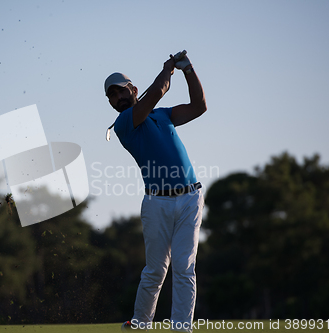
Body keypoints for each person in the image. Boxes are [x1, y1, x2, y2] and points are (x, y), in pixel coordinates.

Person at [104, 51, 207, 332]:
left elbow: (199, 107)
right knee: (155, 271)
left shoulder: (163, 116)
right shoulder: (125, 122)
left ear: (133, 89)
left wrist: (187, 70)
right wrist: (167, 69)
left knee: (185, 268)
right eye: (112, 96)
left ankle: (181, 329)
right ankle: (140, 324)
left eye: (121, 91)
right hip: (157, 203)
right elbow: (159, 90)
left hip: (190, 198)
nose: (118, 98)